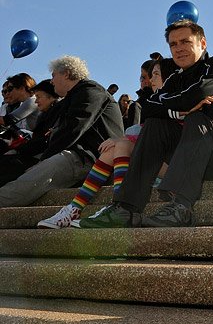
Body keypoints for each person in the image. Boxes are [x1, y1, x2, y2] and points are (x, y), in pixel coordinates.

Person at [81, 19, 213, 228]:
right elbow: (148, 108)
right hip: (196, 156)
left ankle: (181, 207)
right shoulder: (175, 79)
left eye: (185, 42)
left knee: (199, 116)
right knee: (155, 124)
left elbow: (196, 94)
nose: (179, 48)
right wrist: (183, 106)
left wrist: (183, 105)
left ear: (203, 43)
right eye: (173, 44)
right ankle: (125, 208)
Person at [37, 58, 173, 228]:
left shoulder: (174, 103)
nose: (149, 80)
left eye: (155, 75)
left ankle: (119, 206)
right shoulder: (154, 101)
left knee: (122, 145)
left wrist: (123, 140)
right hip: (154, 162)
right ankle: (75, 208)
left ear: (169, 77)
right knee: (111, 150)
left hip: (172, 168)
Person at [0, 56, 123, 207]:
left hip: (89, 157)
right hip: (73, 152)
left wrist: (43, 158)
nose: (51, 81)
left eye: (53, 75)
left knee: (37, 175)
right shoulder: (71, 99)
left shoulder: (91, 91)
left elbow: (73, 129)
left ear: (66, 73)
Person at [0, 79, 62, 182]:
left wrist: (17, 150)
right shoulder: (44, 114)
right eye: (4, 91)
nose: (36, 100)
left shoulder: (55, 113)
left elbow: (8, 121)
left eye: (38, 97)